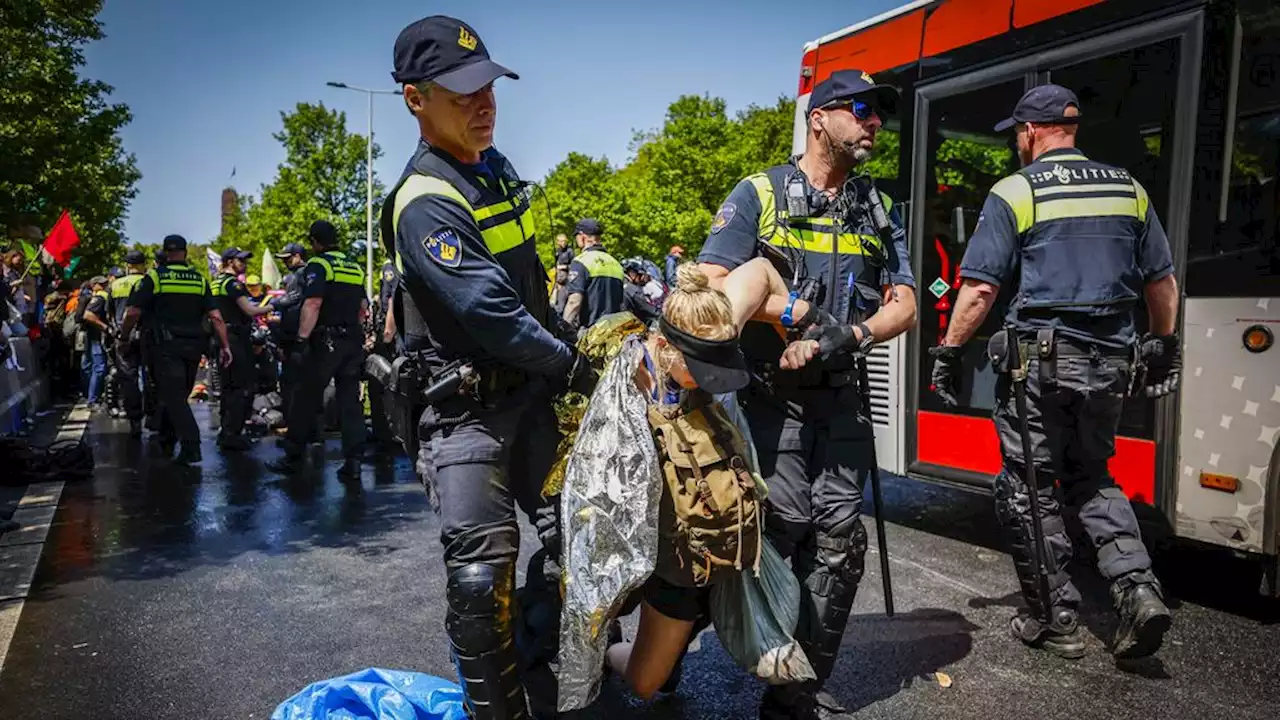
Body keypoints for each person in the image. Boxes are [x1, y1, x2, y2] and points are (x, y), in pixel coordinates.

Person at [378, 15, 596, 719]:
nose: (485, 103)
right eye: (463, 91)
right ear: (416, 99)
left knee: (586, 545)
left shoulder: (496, 173)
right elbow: (494, 315)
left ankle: (533, 658)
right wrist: (571, 365)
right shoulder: (424, 202)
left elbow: (529, 290)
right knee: (479, 580)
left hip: (528, 400)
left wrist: (582, 347)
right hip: (463, 415)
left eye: (489, 87)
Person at [928, 85, 1179, 661]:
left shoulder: (1016, 191)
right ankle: (1137, 589)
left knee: (1030, 486)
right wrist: (1163, 344)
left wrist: (948, 350)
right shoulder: (1129, 190)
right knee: (1093, 474)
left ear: (1031, 132)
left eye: (1016, 133)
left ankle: (1054, 617)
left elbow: (981, 288)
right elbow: (1161, 283)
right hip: (1113, 359)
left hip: (1039, 363)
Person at [697, 69, 918, 720]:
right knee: (785, 535)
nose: (875, 122)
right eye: (862, 109)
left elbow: (905, 303)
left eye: (880, 112)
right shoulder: (761, 192)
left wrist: (851, 332)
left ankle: (793, 695)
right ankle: (733, 640)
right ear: (820, 118)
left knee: (841, 545)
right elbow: (713, 280)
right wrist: (793, 312)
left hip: (843, 396)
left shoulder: (876, 205)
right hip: (772, 401)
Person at [602, 264, 758, 699]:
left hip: (716, 546)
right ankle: (610, 651)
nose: (714, 378)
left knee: (665, 671)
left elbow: (761, 270)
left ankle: (667, 649)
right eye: (704, 368)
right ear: (667, 348)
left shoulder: (702, 352)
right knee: (645, 683)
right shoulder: (629, 380)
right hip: (670, 557)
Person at [119, 234, 233, 465]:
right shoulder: (199, 280)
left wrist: (123, 336)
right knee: (177, 395)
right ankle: (167, 439)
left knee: (172, 397)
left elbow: (132, 312)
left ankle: (192, 446)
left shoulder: (155, 278)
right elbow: (216, 317)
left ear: (165, 253)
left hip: (164, 347)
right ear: (185, 253)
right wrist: (225, 345)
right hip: (193, 348)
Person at [267, 220, 367, 478]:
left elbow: (312, 303)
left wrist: (301, 340)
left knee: (305, 398)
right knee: (350, 402)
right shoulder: (354, 266)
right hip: (352, 341)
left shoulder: (319, 265)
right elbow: (363, 307)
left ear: (315, 242)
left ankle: (294, 456)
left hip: (326, 341)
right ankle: (354, 462)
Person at [212, 248, 274, 451]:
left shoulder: (214, 282)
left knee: (227, 386)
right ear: (230, 261)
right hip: (236, 338)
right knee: (242, 387)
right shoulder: (233, 284)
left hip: (220, 337)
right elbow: (250, 310)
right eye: (241, 260)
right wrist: (274, 305)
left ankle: (226, 430)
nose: (245, 264)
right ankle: (234, 433)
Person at [109, 250, 148, 433]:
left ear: (127, 266)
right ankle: (153, 417)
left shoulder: (115, 284)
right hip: (146, 334)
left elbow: (109, 312)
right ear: (143, 265)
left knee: (128, 379)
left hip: (123, 336)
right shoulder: (148, 283)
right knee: (151, 377)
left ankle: (135, 420)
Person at [562, 218, 624, 331]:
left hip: (592, 333)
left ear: (582, 237)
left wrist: (563, 328)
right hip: (613, 333)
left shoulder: (581, 261)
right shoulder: (616, 264)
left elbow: (574, 302)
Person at [271, 241, 309, 424]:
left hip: (294, 339)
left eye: (287, 259)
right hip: (301, 337)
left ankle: (295, 428)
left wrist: (274, 303)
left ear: (297, 256)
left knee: (292, 384)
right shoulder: (307, 274)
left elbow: (294, 305)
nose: (284, 262)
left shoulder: (299, 276)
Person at [79, 275, 111, 407]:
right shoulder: (100, 297)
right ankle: (92, 399)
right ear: (94, 285)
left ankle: (90, 395)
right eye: (101, 284)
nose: (104, 286)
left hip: (92, 336)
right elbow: (88, 315)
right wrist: (105, 327)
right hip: (96, 337)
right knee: (99, 367)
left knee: (90, 366)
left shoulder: (96, 297)